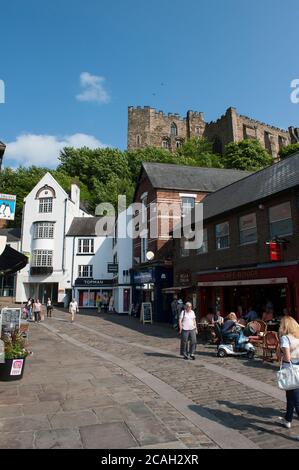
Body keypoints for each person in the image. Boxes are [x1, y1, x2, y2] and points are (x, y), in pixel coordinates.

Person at [278, 316, 299, 429]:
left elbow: (287, 356)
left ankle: (288, 419)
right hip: (298, 367)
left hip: (290, 369)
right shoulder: (298, 337)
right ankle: (288, 419)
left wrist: (280, 354)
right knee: (290, 396)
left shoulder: (285, 338)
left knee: (296, 400)